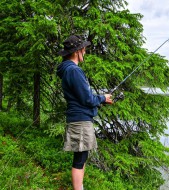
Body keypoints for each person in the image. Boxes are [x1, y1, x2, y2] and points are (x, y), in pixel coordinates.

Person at [56, 34, 113, 190]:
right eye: (84, 49)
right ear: (77, 51)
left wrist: (100, 100)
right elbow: (87, 99)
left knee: (82, 156)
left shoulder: (69, 70)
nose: (85, 52)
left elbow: (83, 98)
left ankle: (80, 187)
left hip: (80, 117)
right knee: (80, 159)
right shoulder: (73, 71)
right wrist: (103, 98)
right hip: (80, 120)